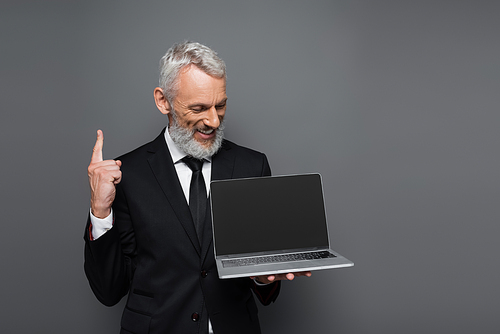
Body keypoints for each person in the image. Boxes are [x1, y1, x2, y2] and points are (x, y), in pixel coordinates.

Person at [84, 41, 311, 334]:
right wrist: (100, 211)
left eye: (221, 105)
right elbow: (109, 290)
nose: (213, 120)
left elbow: (265, 283)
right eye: (199, 108)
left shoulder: (251, 166)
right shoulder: (127, 174)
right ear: (163, 101)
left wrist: (262, 278)